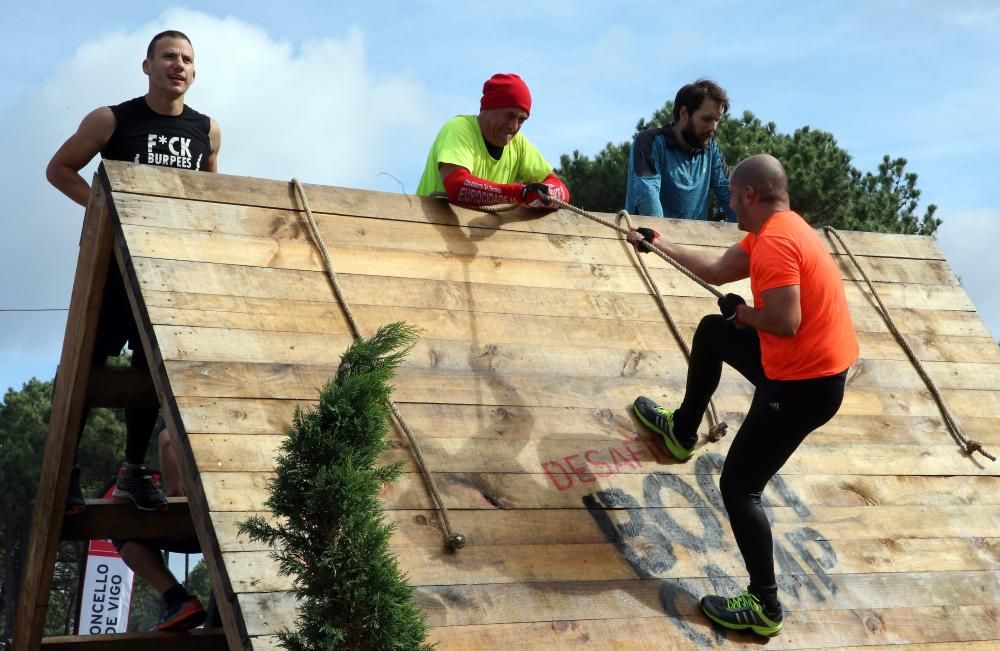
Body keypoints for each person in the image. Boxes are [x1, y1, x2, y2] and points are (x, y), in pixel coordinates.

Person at [626, 154, 858, 636]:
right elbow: (714, 269)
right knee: (714, 332)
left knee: (739, 486)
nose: (728, 202)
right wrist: (660, 245)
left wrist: (745, 314)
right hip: (801, 370)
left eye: (732, 194)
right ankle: (681, 432)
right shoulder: (779, 228)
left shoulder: (776, 242)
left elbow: (785, 321)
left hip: (803, 388)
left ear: (750, 194)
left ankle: (765, 606)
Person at [46, 29, 221, 514]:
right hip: (112, 270)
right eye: (168, 56)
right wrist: (105, 211)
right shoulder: (112, 119)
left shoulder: (207, 129)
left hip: (165, 274)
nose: (178, 65)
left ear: (194, 71)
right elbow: (59, 169)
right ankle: (67, 473)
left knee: (150, 375)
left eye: (186, 59)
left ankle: (132, 471)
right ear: (147, 66)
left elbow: (209, 197)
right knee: (90, 368)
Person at [416, 73, 569, 208]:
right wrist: (519, 194)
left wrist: (547, 193)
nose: (514, 126)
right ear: (488, 109)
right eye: (509, 115)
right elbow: (456, 186)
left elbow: (561, 188)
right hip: (421, 232)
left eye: (521, 120)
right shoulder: (459, 128)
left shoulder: (519, 145)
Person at [113, 427, 208, 631]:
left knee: (121, 528)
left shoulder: (191, 416)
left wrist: (175, 498)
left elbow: (168, 441)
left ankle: (177, 599)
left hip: (205, 525)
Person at [625, 78, 735, 222]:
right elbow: (647, 195)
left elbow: (729, 195)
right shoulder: (649, 142)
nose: (713, 127)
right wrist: (660, 240)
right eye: (707, 119)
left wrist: (752, 237)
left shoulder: (712, 150)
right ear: (684, 113)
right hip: (648, 241)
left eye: (717, 120)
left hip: (691, 243)